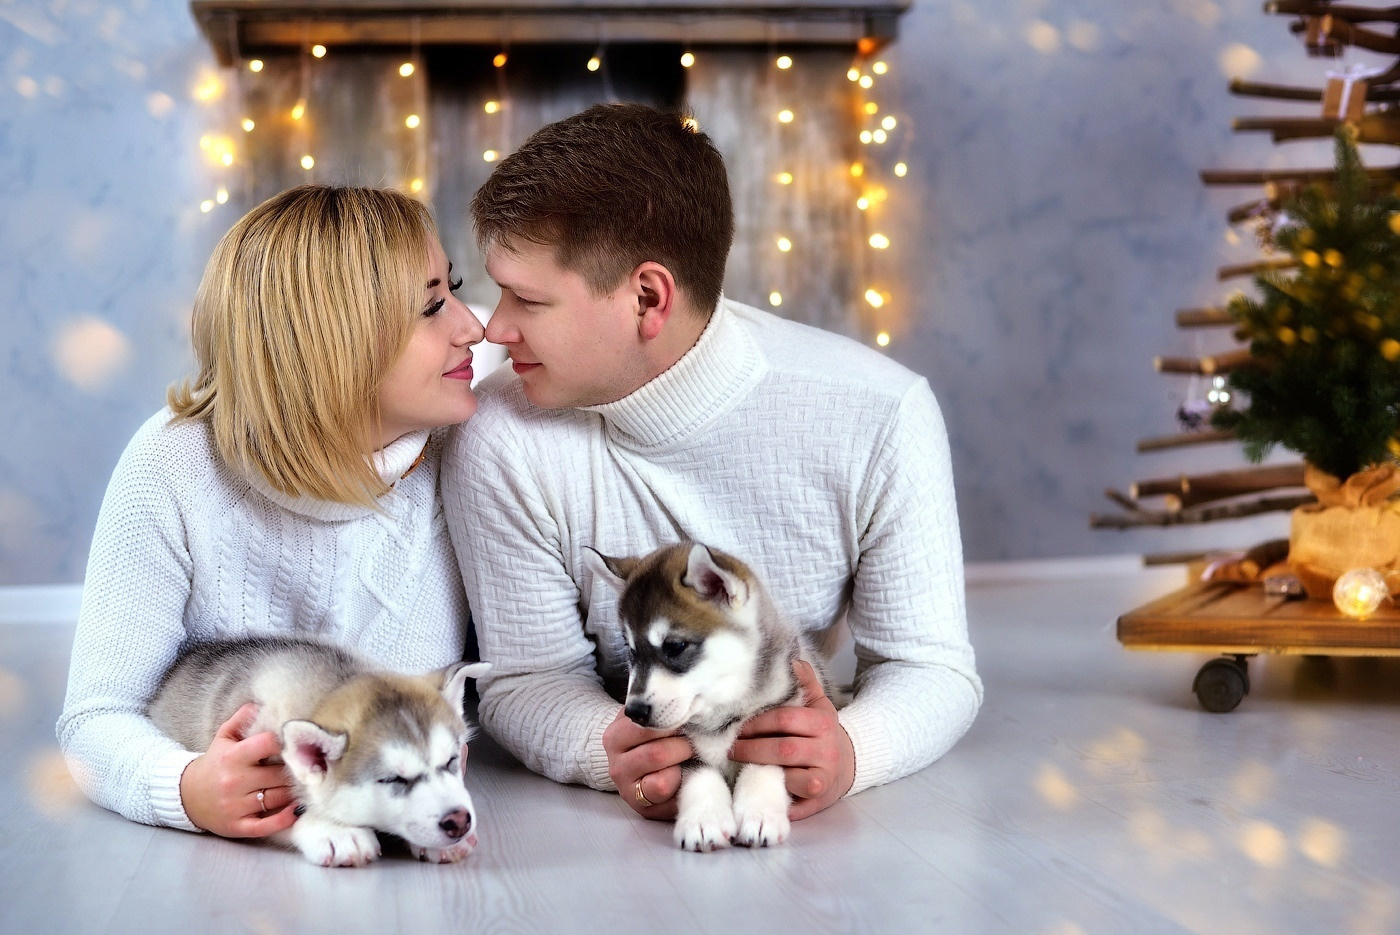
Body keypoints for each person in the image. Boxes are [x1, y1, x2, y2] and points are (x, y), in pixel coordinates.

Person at [444, 103, 982, 825]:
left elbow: (929, 666)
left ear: (648, 297)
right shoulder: (501, 431)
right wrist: (604, 748)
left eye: (527, 299)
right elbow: (528, 677)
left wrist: (851, 749)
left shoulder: (879, 414)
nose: (492, 326)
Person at [57, 185, 484, 839]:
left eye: (452, 291)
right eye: (432, 307)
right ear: (334, 345)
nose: (471, 327)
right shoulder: (169, 467)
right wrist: (185, 787)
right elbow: (95, 717)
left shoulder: (467, 447)